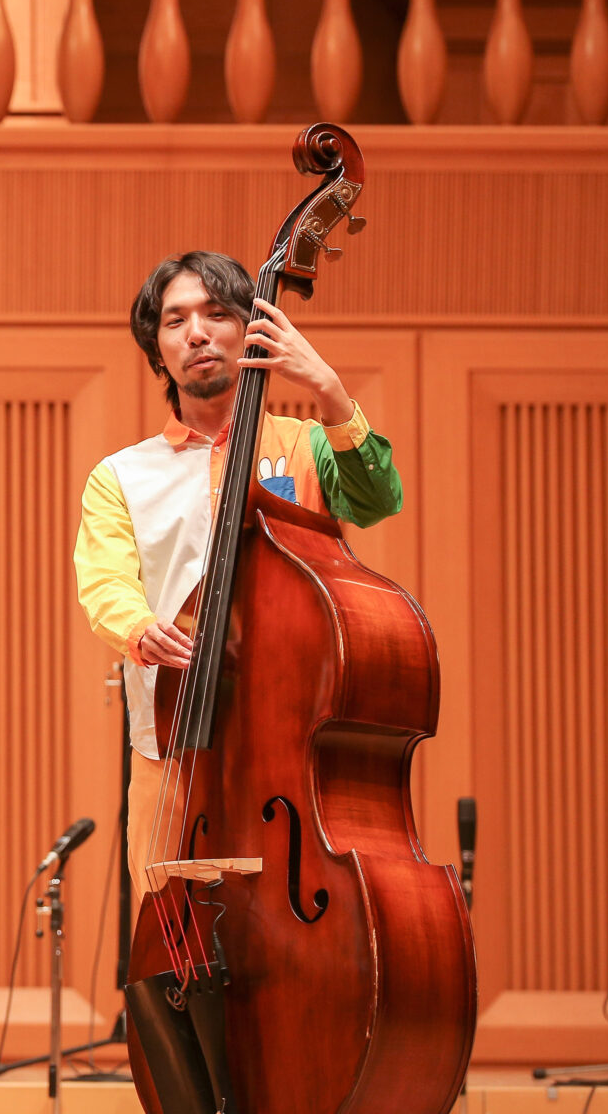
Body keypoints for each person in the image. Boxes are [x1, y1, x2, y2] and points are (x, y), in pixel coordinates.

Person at [73, 250, 404, 895]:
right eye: (176, 321)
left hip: (298, 740)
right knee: (170, 928)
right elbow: (106, 582)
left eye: (217, 314)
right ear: (158, 349)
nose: (197, 333)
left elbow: (376, 500)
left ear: (251, 329)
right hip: (176, 740)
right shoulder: (120, 476)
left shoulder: (306, 444)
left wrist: (330, 391)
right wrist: (139, 627)